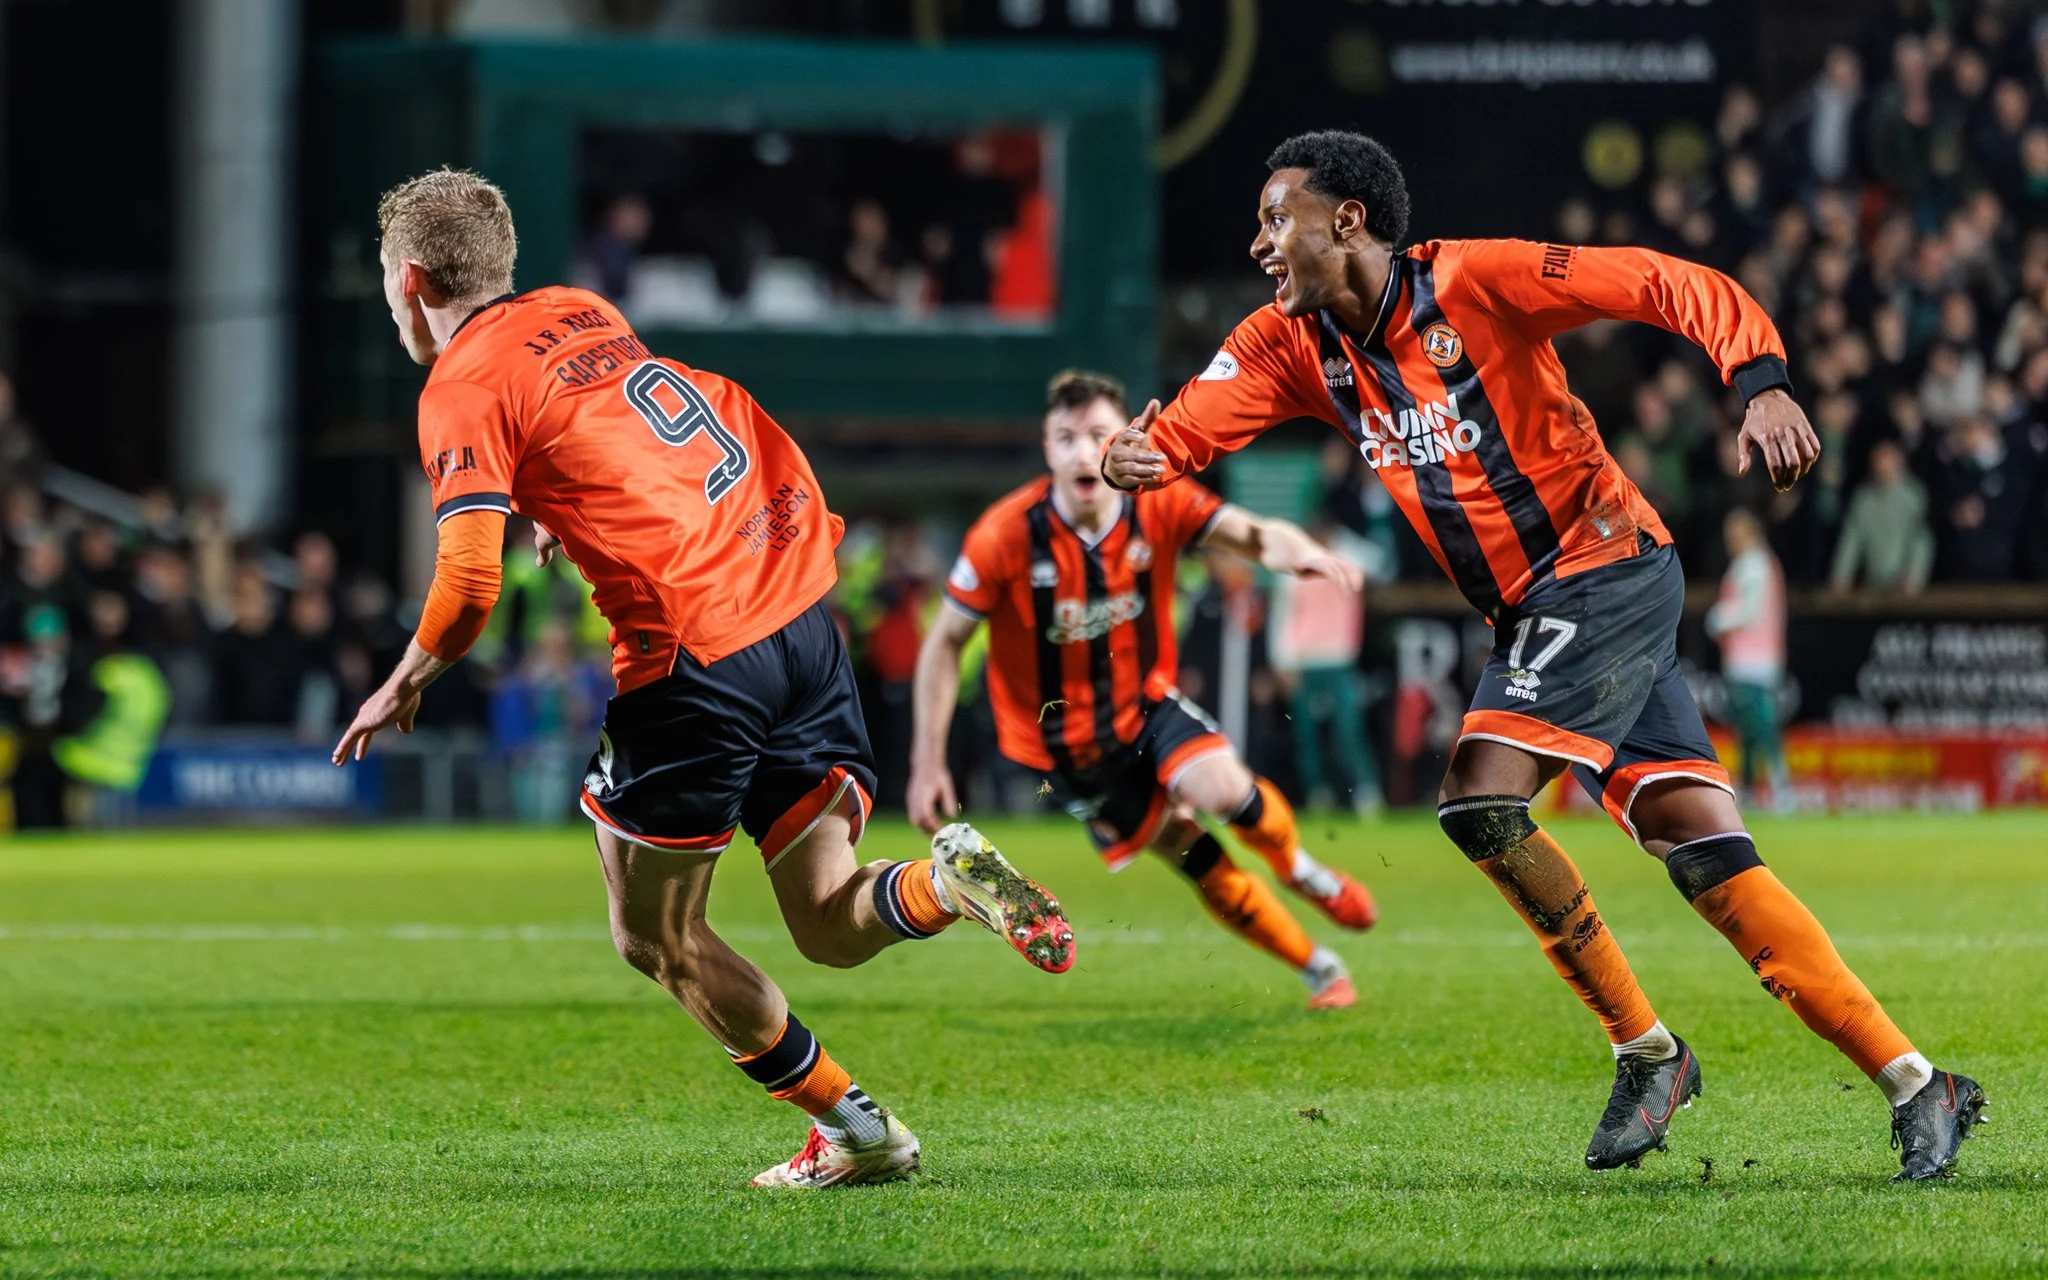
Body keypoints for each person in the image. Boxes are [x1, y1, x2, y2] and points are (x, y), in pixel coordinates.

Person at [1102, 131, 1984, 1182]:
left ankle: (1646, 1052)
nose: (1257, 243)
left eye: (1272, 218)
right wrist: (1139, 458)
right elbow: (1188, 430)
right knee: (1702, 851)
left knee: (1478, 797)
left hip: (1601, 565)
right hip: (1533, 613)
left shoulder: (1475, 281)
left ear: (1343, 221)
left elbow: (1665, 281)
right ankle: (1915, 1081)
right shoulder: (1290, 344)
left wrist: (1758, 379)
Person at [333, 168, 1076, 1190]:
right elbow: (617, 432)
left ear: (409, 278)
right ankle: (942, 883)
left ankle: (857, 1130)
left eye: (383, 279)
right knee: (823, 918)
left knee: (655, 933)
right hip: (799, 619)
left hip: (697, 653)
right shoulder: (578, 309)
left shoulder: (457, 386)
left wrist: (406, 676)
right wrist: (556, 506)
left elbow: (466, 579)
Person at [908, 371, 1377, 1012]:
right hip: (1071, 753)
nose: (1081, 452)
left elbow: (1254, 534)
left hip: (1147, 703)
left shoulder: (1159, 502)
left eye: (1098, 434)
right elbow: (943, 642)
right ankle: (1321, 969)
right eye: (1065, 437)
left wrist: (1299, 556)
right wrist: (928, 759)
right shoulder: (1005, 535)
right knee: (1200, 860)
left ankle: (1300, 868)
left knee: (1226, 793)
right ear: (1047, 449)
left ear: (1125, 437)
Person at [1706, 510, 1789, 806]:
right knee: (1748, 729)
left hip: (1753, 659)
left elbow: (1749, 611)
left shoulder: (1753, 565)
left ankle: (1780, 785)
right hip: (1752, 657)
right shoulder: (1759, 563)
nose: (1731, 541)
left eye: (1735, 535)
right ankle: (1752, 787)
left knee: (1760, 726)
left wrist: (1718, 619)